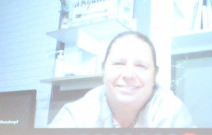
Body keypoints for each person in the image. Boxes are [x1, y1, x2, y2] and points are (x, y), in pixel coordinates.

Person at [49, 31, 192, 129]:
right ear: (104, 70)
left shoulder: (172, 112)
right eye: (118, 64)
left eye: (141, 66)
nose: (129, 74)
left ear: (154, 76)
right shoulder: (76, 115)